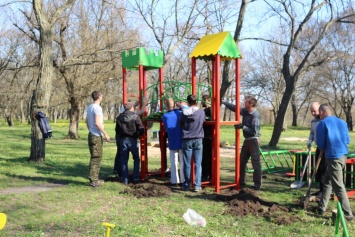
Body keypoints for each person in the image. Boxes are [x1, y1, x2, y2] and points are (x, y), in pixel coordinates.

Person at [315, 104, 353, 220]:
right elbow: (347, 140)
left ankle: (348, 214)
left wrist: (325, 145)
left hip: (333, 157)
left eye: (318, 113)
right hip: (343, 155)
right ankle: (321, 208)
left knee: (338, 185)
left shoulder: (322, 123)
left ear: (321, 112)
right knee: (327, 181)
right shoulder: (342, 122)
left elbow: (320, 144)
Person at [222, 96, 261, 190]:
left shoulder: (255, 116)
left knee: (255, 163)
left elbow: (254, 131)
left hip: (254, 140)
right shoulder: (245, 111)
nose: (244, 103)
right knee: (242, 161)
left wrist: (242, 127)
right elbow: (235, 108)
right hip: (247, 140)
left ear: (251, 104)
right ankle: (242, 181)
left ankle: (257, 184)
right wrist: (223, 101)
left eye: (246, 102)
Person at [113, 97, 147, 179]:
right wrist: (144, 103)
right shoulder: (135, 116)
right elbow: (141, 128)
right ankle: (135, 177)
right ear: (132, 107)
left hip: (123, 140)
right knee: (136, 158)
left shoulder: (119, 117)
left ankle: (125, 178)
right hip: (132, 139)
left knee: (124, 160)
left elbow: (117, 130)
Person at [180, 94, 205, 192]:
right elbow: (203, 121)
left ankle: (187, 184)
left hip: (187, 139)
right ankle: (197, 185)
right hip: (198, 139)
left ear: (188, 102)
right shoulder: (201, 113)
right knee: (198, 163)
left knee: (187, 163)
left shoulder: (184, 113)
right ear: (196, 102)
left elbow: (180, 123)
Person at [86, 91, 110, 187]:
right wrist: (105, 134)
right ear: (99, 97)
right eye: (102, 95)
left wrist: (90, 129)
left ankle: (94, 178)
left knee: (95, 156)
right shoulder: (97, 108)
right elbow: (97, 122)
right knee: (96, 157)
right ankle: (94, 180)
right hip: (96, 135)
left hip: (91, 134)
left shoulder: (89, 107)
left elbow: (87, 121)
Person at [162, 98, 184, 186]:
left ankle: (174, 180)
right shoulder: (180, 113)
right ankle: (183, 179)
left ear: (166, 106)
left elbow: (166, 128)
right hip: (181, 138)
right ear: (174, 104)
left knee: (173, 161)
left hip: (172, 139)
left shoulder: (165, 116)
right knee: (182, 161)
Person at [306, 102, 326, 196]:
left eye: (314, 111)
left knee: (324, 169)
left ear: (320, 110)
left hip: (326, 148)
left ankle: (326, 191)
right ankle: (321, 190)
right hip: (319, 147)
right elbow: (312, 132)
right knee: (318, 169)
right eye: (311, 111)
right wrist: (310, 140)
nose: (313, 113)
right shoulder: (313, 121)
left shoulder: (324, 120)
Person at [201, 94, 213, 181]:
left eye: (204, 100)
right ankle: (205, 174)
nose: (202, 102)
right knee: (204, 156)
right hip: (204, 136)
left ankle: (208, 174)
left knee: (208, 156)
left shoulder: (211, 110)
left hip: (209, 136)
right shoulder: (204, 110)